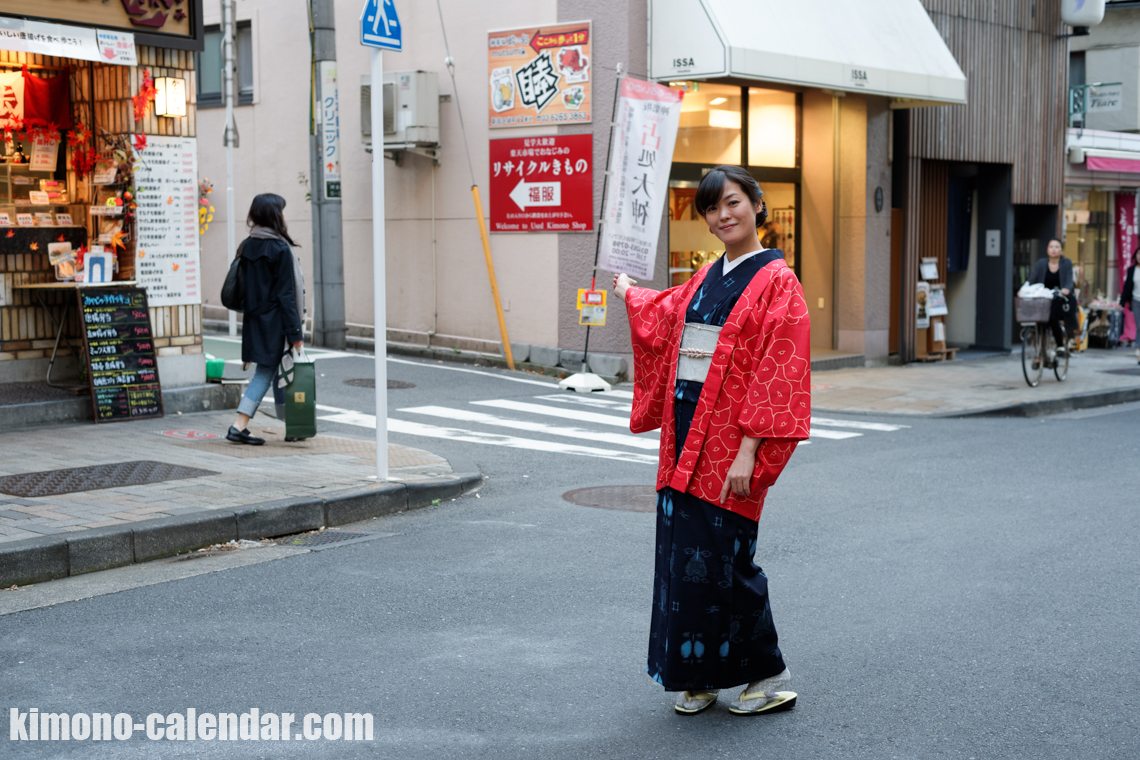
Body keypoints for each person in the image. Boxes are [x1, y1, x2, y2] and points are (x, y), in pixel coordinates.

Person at [613, 165, 811, 716]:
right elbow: (667, 313)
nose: (723, 215)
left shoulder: (779, 283)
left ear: (755, 204)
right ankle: (697, 676)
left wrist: (751, 446)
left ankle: (769, 675)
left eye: (732, 203)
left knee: (728, 560)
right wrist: (631, 294)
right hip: (686, 434)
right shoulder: (706, 277)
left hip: (729, 444)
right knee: (684, 560)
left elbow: (780, 368)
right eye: (711, 208)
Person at [226, 193, 305, 445]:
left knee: (278, 372)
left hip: (253, 320)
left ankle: (293, 426)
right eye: (281, 211)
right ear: (274, 215)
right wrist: (295, 334)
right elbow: (286, 295)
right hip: (276, 324)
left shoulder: (247, 245)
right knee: (268, 373)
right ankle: (239, 425)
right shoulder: (280, 248)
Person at [1028, 239, 1077, 356]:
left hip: (1059, 298)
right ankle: (1040, 351)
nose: (1054, 250)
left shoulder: (1066, 263)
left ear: (1061, 250)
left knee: (1052, 316)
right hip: (1043, 299)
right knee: (1039, 321)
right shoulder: (1041, 263)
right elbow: (1032, 279)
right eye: (1051, 247)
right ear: (1047, 249)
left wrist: (1066, 289)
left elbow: (1069, 280)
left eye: (1057, 247)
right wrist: (1025, 289)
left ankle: (1060, 345)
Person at [1120, 248, 1140, 363]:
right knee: (1139, 327)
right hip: (1136, 301)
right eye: (1138, 254)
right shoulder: (1132, 270)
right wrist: (1121, 303)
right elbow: (1127, 288)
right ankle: (1138, 351)